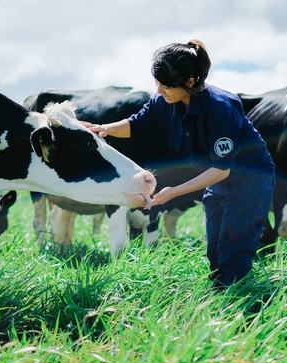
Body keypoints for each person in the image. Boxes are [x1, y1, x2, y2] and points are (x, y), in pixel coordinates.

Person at [85, 39, 275, 289]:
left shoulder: (220, 107)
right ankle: (221, 297)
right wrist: (105, 129)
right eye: (157, 84)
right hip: (216, 180)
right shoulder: (164, 101)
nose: (159, 91)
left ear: (190, 82)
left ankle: (242, 307)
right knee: (215, 250)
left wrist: (174, 191)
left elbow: (222, 168)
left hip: (249, 179)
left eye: (166, 86)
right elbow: (137, 124)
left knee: (233, 249)